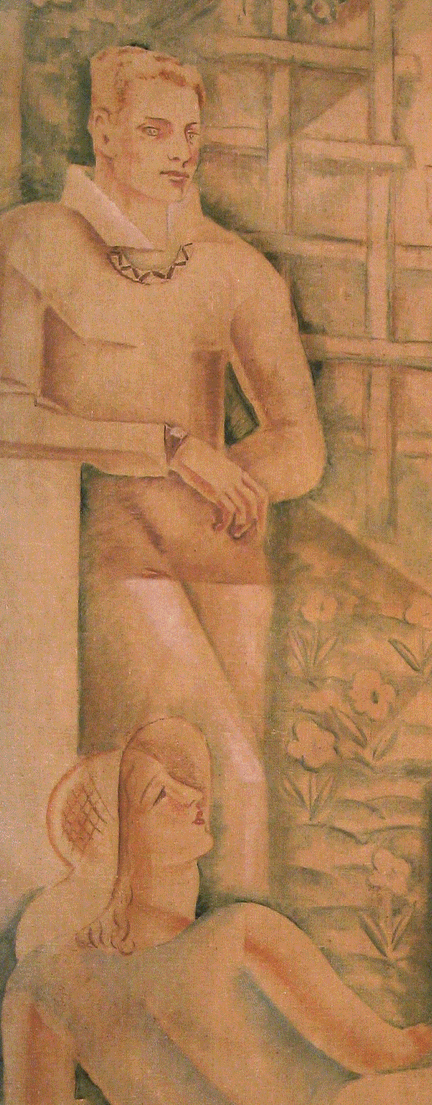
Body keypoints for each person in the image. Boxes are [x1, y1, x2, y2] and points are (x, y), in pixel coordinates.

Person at [0, 46, 325, 903]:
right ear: (101, 129)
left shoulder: (236, 268)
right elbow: (6, 412)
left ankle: (220, 1003)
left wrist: (233, 477)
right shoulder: (33, 238)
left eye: (189, 132)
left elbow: (301, 441)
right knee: (218, 778)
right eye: (153, 129)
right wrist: (171, 449)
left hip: (225, 554)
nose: (178, 150)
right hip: (107, 541)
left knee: (212, 812)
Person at [2, 719, 432, 1105]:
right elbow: (388, 1054)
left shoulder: (43, 978)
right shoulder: (239, 932)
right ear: (116, 846)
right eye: (159, 796)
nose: (192, 797)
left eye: (183, 784)